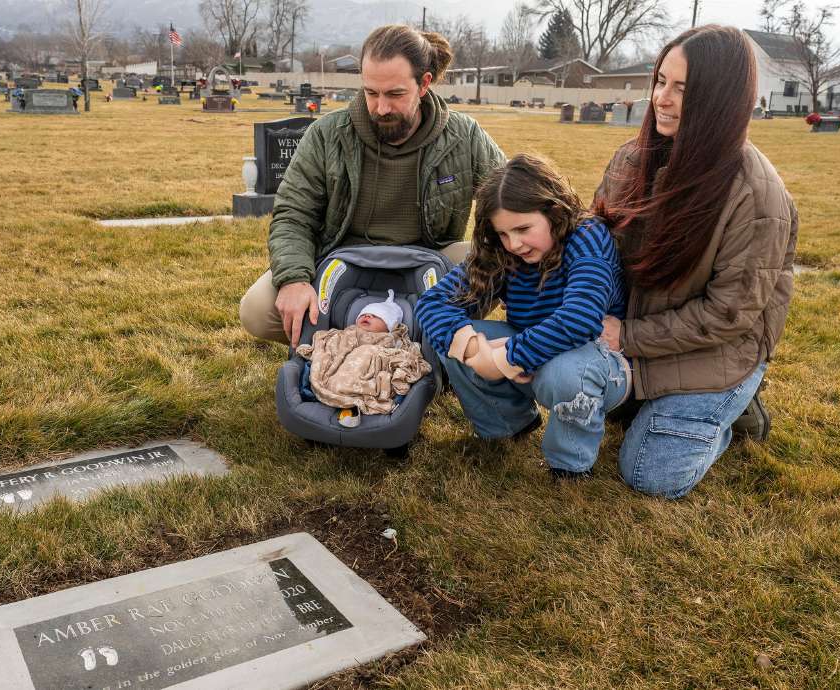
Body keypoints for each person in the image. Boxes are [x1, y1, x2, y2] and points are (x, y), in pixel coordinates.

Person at [592, 25, 798, 499]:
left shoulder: (755, 194)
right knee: (581, 399)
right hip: (643, 337)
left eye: (682, 89)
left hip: (718, 351)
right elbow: (597, 246)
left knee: (651, 473)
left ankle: (736, 406)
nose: (661, 99)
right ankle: (653, 402)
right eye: (660, 81)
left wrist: (627, 336)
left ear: (720, 99)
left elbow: (729, 314)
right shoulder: (631, 159)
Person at [239, 23, 506, 346]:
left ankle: (431, 335)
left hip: (429, 261)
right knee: (257, 310)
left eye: (395, 94)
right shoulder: (326, 134)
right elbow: (294, 214)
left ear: (424, 84)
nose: (381, 108)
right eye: (371, 93)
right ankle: (356, 336)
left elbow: (510, 200)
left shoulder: (464, 136)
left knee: (500, 261)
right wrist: (294, 278)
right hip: (341, 262)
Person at [416, 154, 628, 478]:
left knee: (565, 373)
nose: (514, 244)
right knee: (455, 337)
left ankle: (569, 464)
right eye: (503, 233)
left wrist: (506, 358)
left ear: (553, 212)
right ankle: (506, 425)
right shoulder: (501, 251)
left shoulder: (589, 236)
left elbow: (580, 318)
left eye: (523, 229)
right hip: (530, 351)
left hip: (597, 359)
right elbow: (432, 304)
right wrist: (474, 350)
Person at [296, 290, 431, 424]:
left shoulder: (392, 340)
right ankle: (318, 391)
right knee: (314, 366)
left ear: (389, 326)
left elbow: (409, 358)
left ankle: (352, 397)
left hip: (367, 369)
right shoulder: (347, 333)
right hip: (338, 370)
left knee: (368, 352)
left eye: (376, 316)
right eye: (364, 314)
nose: (367, 316)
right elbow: (328, 343)